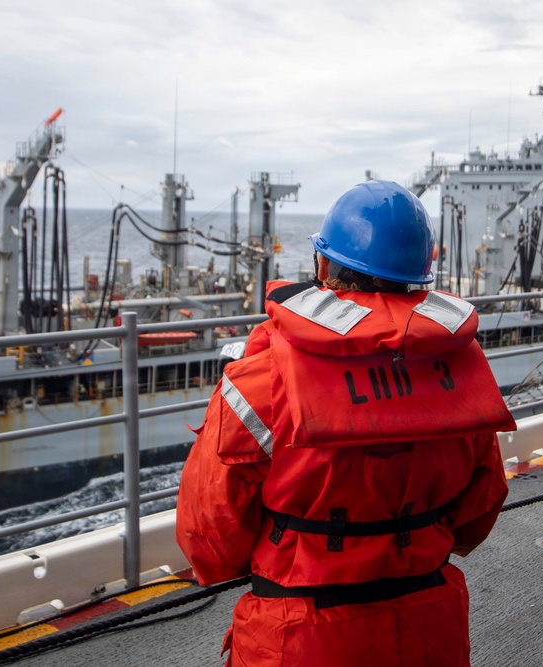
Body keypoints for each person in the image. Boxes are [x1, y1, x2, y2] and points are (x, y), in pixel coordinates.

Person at [175, 180, 516, 666]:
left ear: (323, 266)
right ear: (421, 276)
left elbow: (208, 536)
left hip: (299, 640)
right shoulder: (459, 372)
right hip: (430, 628)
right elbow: (477, 512)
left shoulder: (259, 378)